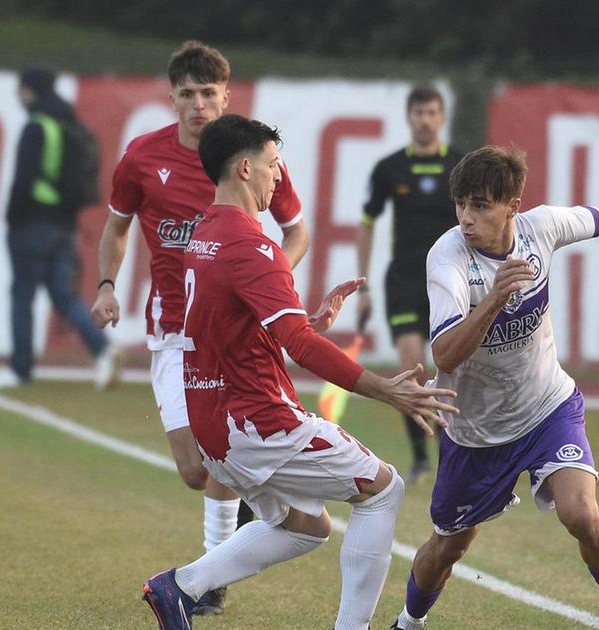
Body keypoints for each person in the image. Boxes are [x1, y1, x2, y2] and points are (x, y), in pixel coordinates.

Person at [140, 113, 458, 630]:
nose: (278, 177)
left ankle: (180, 587)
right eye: (273, 165)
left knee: (307, 525)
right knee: (384, 488)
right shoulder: (254, 244)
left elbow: (233, 322)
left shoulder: (202, 235)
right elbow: (299, 347)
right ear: (245, 168)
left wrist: (305, 322)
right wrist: (385, 390)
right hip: (259, 422)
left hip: (214, 423)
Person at [390, 146, 599, 630]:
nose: (466, 218)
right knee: (449, 545)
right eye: (460, 205)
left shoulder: (542, 227)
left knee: (580, 512)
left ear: (513, 205)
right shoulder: (447, 259)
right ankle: (408, 622)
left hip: (547, 407)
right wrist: (494, 299)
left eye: (480, 205)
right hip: (475, 431)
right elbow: (445, 355)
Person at [89, 41, 309, 616]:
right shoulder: (142, 157)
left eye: (208, 93)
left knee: (221, 457)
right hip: (171, 332)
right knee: (195, 469)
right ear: (172, 99)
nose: (198, 104)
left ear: (226, 96)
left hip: (235, 332)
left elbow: (296, 231)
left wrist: (266, 279)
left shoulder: (254, 155)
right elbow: (115, 230)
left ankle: (209, 579)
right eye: (187, 94)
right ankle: (246, 521)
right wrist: (107, 286)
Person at [356, 85, 465, 483]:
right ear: (409, 117)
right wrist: (364, 286)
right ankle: (421, 457)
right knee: (411, 367)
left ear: (442, 118)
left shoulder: (459, 166)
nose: (424, 120)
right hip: (403, 279)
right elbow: (366, 223)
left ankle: (452, 454)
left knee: (450, 368)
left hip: (448, 280)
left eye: (431, 113)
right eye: (418, 112)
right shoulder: (389, 169)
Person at [0, 65, 118, 390]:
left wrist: (11, 219)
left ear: (29, 90)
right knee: (62, 293)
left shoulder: (37, 127)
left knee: (22, 295)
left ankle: (20, 369)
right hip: (65, 224)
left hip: (32, 222)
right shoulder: (70, 124)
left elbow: (24, 180)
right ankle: (102, 349)